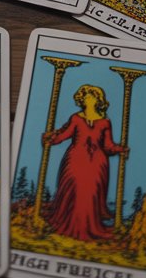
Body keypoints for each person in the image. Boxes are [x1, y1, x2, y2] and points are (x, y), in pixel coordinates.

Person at [42, 84, 128, 241]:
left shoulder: (105, 122)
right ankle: (68, 224)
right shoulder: (76, 118)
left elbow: (108, 146)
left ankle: (89, 228)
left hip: (97, 163)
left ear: (98, 100)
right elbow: (63, 135)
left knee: (90, 193)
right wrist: (50, 138)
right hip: (75, 159)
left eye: (92, 97)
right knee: (73, 188)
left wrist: (120, 149)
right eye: (86, 97)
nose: (88, 100)